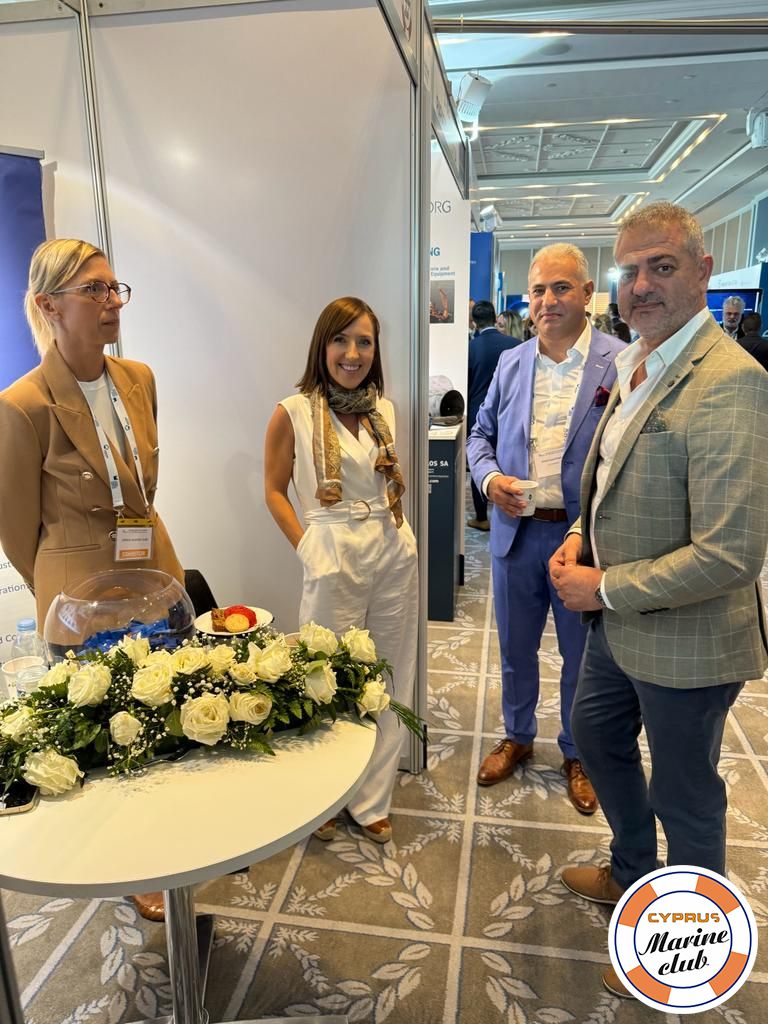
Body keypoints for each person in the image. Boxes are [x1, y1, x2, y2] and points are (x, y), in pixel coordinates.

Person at [550, 202, 768, 999]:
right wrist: (582, 533)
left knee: (687, 794)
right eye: (630, 270)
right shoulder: (639, 360)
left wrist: (603, 585)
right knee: (595, 733)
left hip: (687, 638)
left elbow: (731, 553)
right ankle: (632, 869)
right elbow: (612, 477)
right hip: (618, 626)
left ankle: (685, 952)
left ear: (703, 272)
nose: (640, 286)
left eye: (662, 267)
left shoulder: (732, 383)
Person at [0, 238, 184, 924]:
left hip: (154, 577)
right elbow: (17, 531)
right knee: (109, 735)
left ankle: (170, 838)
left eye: (114, 288)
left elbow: (139, 483)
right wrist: (67, 590)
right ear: (49, 306)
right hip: (82, 604)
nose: (112, 302)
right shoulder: (22, 405)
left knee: (165, 716)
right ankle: (132, 863)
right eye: (94, 290)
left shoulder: (139, 378)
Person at [467, 244, 623, 814]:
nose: (548, 300)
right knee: (515, 648)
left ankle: (579, 753)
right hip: (516, 533)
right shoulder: (511, 362)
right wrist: (489, 481)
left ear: (587, 294)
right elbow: (479, 436)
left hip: (583, 540)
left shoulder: (620, 362)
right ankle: (518, 735)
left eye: (561, 287)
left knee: (582, 656)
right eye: (538, 290)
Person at [264, 296, 418, 845]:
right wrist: (309, 547)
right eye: (341, 340)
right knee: (324, 675)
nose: (352, 353)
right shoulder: (293, 411)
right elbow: (273, 490)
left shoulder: (385, 411)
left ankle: (371, 798)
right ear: (322, 346)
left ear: (375, 350)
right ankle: (325, 796)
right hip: (332, 547)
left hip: (390, 546)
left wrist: (402, 537)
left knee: (390, 672)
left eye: (364, 342)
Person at [466, 300, 521, 531]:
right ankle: (514, 507)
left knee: (480, 460)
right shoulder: (516, 345)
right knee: (511, 459)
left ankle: (481, 517)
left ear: (474, 322)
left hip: (478, 412)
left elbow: (467, 383)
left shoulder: (471, 348)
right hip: (512, 413)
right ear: (494, 316)